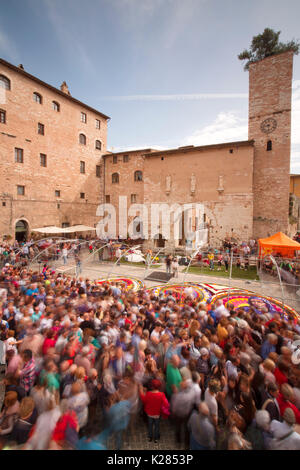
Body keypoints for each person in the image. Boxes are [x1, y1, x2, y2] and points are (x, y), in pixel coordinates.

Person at [139, 379, 169, 443]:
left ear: (151, 386)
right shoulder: (161, 395)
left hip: (149, 414)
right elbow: (166, 404)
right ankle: (156, 438)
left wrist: (141, 391)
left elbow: (144, 400)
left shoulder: (148, 394)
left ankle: (150, 437)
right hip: (157, 414)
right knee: (157, 426)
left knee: (150, 425)